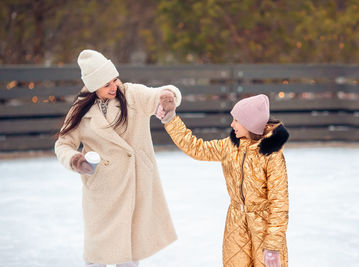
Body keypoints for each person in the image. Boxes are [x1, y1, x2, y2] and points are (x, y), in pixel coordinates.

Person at [54, 49, 180, 267]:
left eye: (115, 79)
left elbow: (158, 94)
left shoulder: (131, 94)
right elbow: (63, 143)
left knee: (130, 252)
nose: (114, 87)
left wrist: (169, 97)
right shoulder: (80, 110)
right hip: (102, 187)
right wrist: (76, 160)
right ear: (93, 86)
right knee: (97, 254)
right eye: (106, 84)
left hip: (134, 182)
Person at [156, 94, 289, 267]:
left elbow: (279, 203)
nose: (232, 124)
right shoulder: (229, 146)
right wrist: (171, 119)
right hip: (236, 225)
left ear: (250, 124)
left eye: (237, 120)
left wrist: (273, 245)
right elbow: (197, 148)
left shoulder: (271, 156)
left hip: (264, 228)